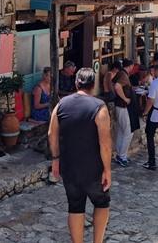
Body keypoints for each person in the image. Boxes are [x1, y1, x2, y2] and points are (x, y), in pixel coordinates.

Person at [49, 68, 112, 243]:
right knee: (101, 203)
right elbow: (105, 143)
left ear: (77, 83)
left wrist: (55, 160)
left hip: (69, 166)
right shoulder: (99, 107)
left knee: (75, 206)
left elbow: (51, 134)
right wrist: (107, 169)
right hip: (93, 167)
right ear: (93, 86)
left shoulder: (61, 105)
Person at [111, 60, 133, 166]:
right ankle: (122, 156)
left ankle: (119, 154)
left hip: (119, 106)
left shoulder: (120, 73)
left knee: (120, 131)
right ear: (131, 66)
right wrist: (125, 98)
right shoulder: (124, 75)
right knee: (128, 131)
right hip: (123, 106)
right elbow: (117, 86)